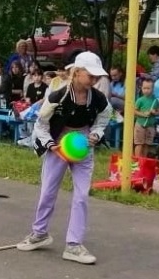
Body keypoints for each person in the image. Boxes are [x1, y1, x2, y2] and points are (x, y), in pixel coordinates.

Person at [16, 51, 111, 265]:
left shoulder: (98, 98)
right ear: (76, 73)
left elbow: (105, 118)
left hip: (83, 144)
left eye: (97, 77)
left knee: (82, 196)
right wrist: (51, 144)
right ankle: (39, 233)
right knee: (48, 191)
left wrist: (96, 134)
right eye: (91, 75)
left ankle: (74, 245)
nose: (94, 80)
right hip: (58, 142)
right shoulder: (56, 96)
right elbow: (40, 124)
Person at [133, 76, 159, 157]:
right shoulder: (140, 100)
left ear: (153, 89)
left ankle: (144, 160)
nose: (146, 90)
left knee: (147, 144)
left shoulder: (155, 101)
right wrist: (143, 114)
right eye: (144, 88)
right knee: (139, 143)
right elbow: (134, 111)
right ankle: (137, 160)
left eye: (148, 88)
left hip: (150, 126)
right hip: (140, 124)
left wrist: (154, 112)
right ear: (141, 88)